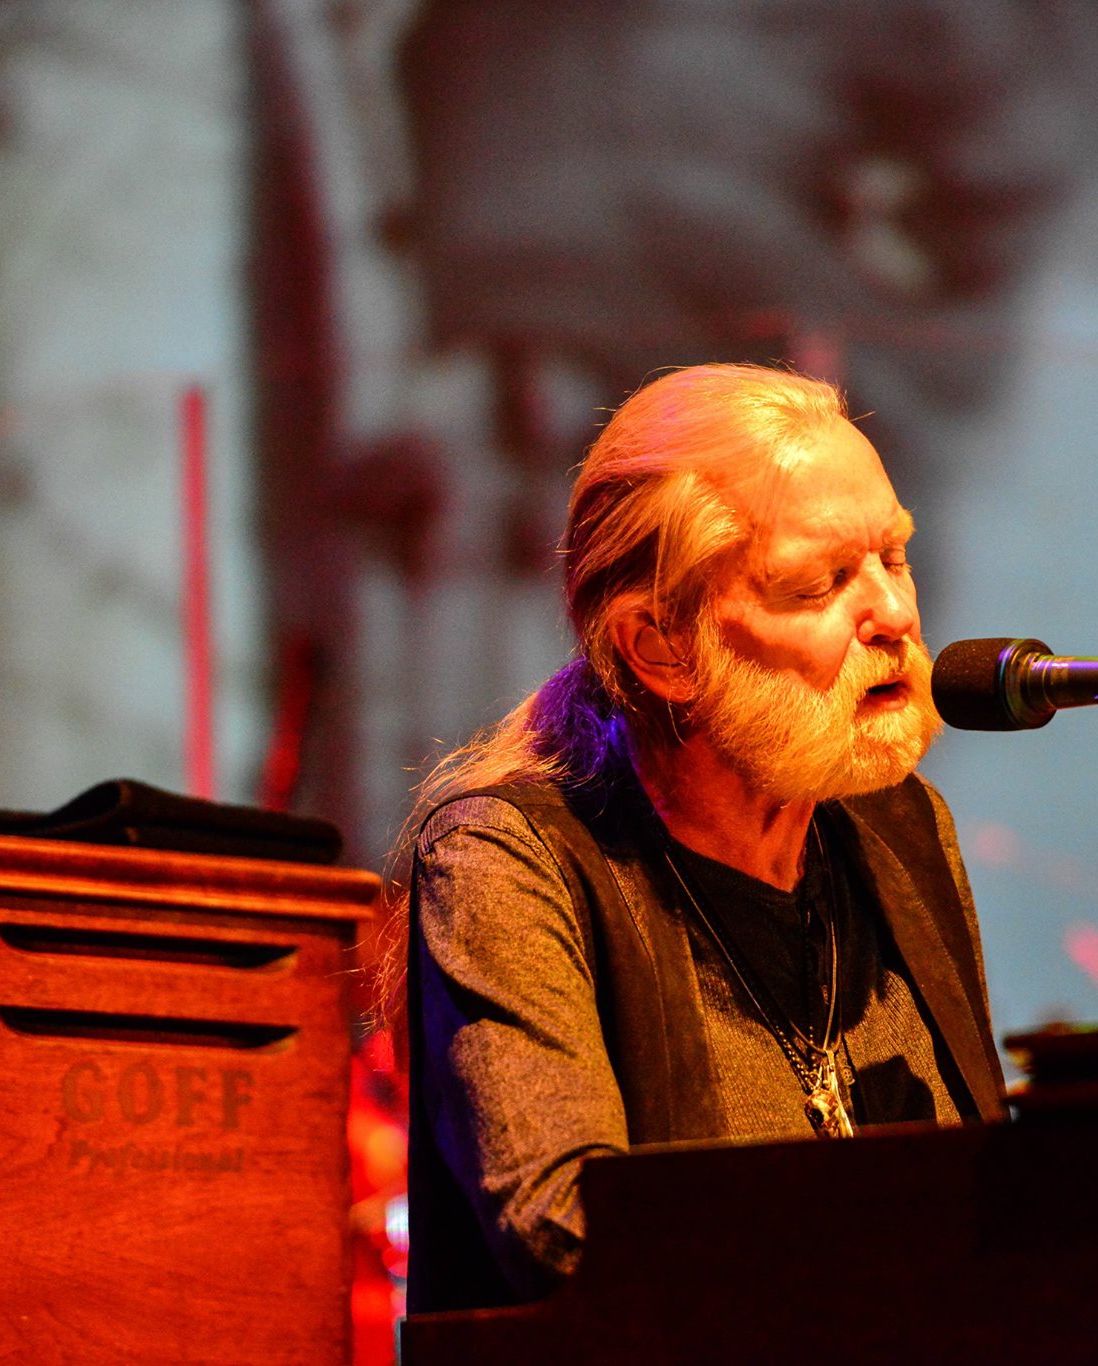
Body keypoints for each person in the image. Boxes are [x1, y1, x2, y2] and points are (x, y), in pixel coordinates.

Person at [402, 363, 1006, 1314]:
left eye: (893, 557)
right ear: (661, 648)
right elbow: (571, 1233)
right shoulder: (508, 861)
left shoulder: (901, 825)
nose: (893, 615)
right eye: (819, 583)